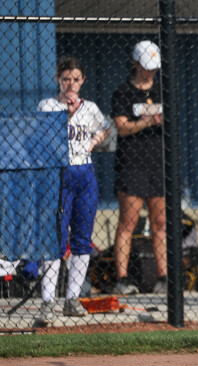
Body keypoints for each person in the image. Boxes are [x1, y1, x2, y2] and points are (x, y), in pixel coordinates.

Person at [35, 57, 110, 324]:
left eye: (76, 79)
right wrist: (66, 115)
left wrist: (95, 140)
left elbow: (105, 128)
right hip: (59, 173)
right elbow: (42, 136)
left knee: (82, 237)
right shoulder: (48, 105)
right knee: (55, 237)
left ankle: (72, 298)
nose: (70, 84)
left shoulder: (89, 107)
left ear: (82, 80)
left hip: (84, 173)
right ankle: (47, 301)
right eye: (66, 79)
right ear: (58, 79)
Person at [110, 40, 167, 295]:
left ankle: (163, 277)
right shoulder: (123, 93)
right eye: (146, 67)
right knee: (128, 222)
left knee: (160, 222)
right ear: (135, 64)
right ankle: (122, 279)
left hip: (158, 163)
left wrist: (157, 121)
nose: (151, 72)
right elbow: (122, 127)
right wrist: (147, 122)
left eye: (154, 67)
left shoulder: (163, 91)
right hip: (131, 165)